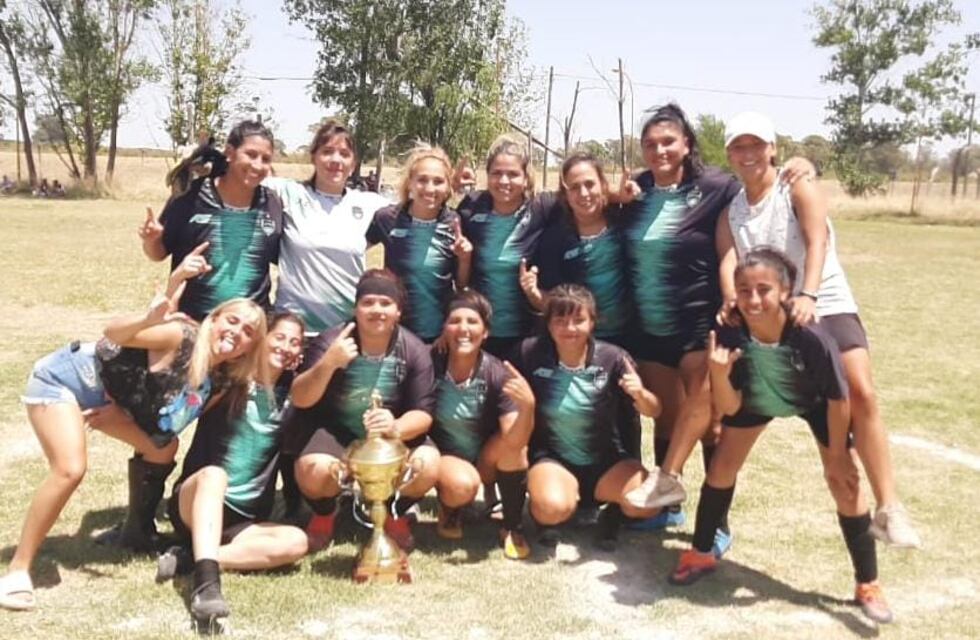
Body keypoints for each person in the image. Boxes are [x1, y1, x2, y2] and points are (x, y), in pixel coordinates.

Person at [0, 267, 266, 611]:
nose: (236, 333)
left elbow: (167, 428)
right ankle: (19, 570)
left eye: (247, 332)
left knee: (163, 448)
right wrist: (147, 318)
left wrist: (121, 417)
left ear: (249, 348)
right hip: (67, 379)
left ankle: (137, 531)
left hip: (110, 401)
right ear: (214, 319)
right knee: (70, 468)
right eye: (232, 321)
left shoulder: (220, 379)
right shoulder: (181, 335)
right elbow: (112, 333)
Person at [713, 111, 919, 548]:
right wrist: (730, 296)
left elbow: (817, 240)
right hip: (771, 313)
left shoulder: (796, 185)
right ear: (729, 154)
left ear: (772, 148)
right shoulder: (732, 207)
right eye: (739, 147)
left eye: (756, 145)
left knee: (860, 390)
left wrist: (807, 294)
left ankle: (889, 507)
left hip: (823, 299)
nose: (748, 154)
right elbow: (729, 258)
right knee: (729, 395)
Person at [668, 248, 894, 625]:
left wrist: (838, 452)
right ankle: (701, 552)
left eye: (763, 289)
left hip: (816, 403)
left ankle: (867, 583)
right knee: (721, 467)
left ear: (786, 291)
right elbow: (729, 406)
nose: (753, 299)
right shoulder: (729, 330)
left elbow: (839, 401)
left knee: (844, 481)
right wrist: (720, 374)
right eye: (744, 290)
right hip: (758, 395)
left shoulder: (812, 336)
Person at [622, 104, 812, 537]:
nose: (660, 151)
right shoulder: (637, 189)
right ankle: (668, 505)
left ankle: (717, 520)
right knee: (667, 416)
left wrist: (801, 165)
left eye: (668, 142)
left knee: (709, 419)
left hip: (699, 320)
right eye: (650, 144)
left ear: (687, 144)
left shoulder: (715, 186)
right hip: (649, 323)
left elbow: (757, 178)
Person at [157, 312, 308, 626]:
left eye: (295, 342)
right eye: (279, 337)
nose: (286, 346)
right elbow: (192, 368)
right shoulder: (228, 382)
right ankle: (207, 587)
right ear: (261, 340)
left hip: (243, 521)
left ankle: (194, 556)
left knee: (297, 542)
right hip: (195, 500)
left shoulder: (293, 396)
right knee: (215, 475)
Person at [284, 269, 439, 553]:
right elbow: (301, 398)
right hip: (338, 432)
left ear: (398, 312)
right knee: (312, 471)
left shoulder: (413, 350)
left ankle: (392, 510)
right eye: (368, 302)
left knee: (428, 464)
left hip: (390, 438)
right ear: (355, 309)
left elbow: (423, 414)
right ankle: (326, 511)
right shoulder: (333, 342)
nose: (376, 310)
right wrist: (328, 364)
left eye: (385, 303)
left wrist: (396, 428)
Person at [513, 284, 662, 550]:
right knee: (550, 508)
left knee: (649, 504)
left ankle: (611, 511)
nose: (569, 328)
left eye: (578, 320)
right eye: (560, 320)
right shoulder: (529, 354)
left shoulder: (614, 359)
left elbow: (655, 410)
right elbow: (490, 369)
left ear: (592, 322)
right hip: (554, 460)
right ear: (547, 324)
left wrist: (640, 394)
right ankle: (554, 514)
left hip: (608, 462)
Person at [138, 120, 284, 321]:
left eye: (266, 159)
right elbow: (158, 254)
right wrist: (152, 240)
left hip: (249, 330)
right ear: (230, 152)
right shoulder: (191, 196)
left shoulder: (271, 203)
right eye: (250, 155)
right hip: (193, 325)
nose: (258, 165)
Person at [430, 290, 535, 559]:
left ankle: (512, 525)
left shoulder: (497, 372)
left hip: (485, 461)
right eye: (455, 321)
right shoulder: (429, 363)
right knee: (462, 486)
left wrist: (528, 407)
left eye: (472, 322)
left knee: (516, 449)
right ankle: (451, 507)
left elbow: (515, 440)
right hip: (445, 458)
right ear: (444, 327)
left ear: (486, 332)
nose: (463, 329)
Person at [264, 120, 391, 333]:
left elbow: (417, 207)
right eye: (327, 151)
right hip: (293, 332)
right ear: (313, 156)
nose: (335, 160)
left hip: (347, 332)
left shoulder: (370, 204)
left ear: (353, 163)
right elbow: (242, 177)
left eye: (344, 153)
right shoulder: (288, 193)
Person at [455, 135, 562, 359]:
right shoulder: (471, 208)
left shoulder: (542, 208)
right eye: (496, 173)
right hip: (481, 333)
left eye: (513, 174)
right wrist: (449, 186)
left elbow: (583, 194)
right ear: (487, 175)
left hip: (529, 337)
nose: (504, 181)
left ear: (526, 178)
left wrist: (620, 194)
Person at [366, 144, 472, 342]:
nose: (430, 188)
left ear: (448, 186)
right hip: (395, 333)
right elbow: (356, 252)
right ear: (410, 184)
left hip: (438, 335)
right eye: (422, 180)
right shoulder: (386, 218)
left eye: (438, 181)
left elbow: (461, 284)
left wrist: (465, 259)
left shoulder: (454, 222)